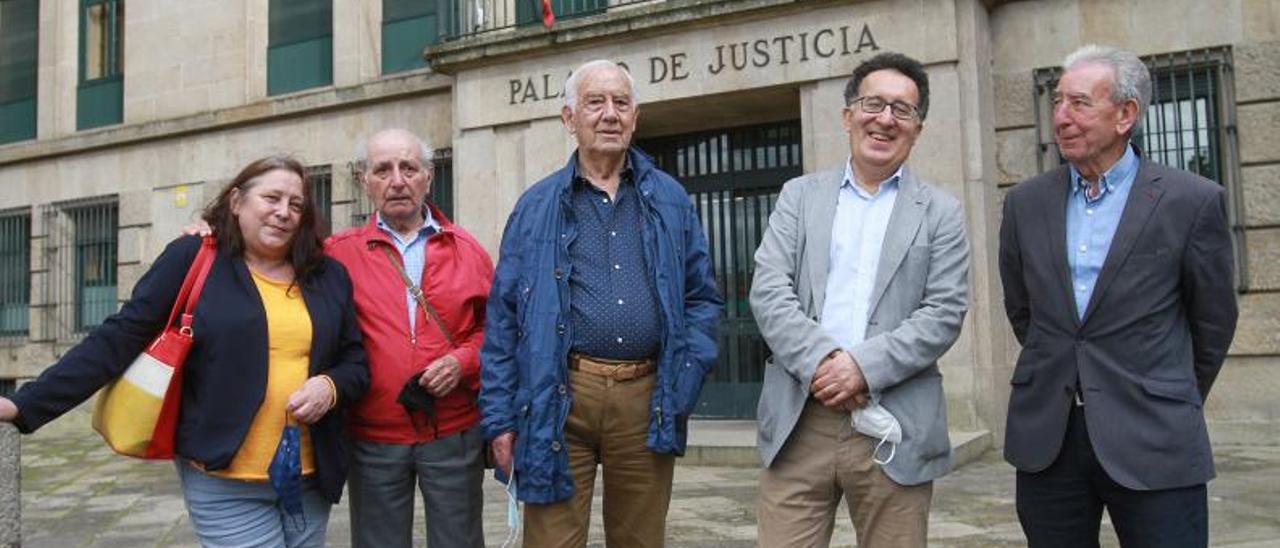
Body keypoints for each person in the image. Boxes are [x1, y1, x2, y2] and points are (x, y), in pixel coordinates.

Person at [0, 156, 369, 547]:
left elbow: (355, 361)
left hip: (307, 477)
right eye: (272, 198)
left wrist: (330, 386)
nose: (283, 212)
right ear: (236, 201)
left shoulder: (327, 275)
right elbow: (119, 337)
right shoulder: (195, 258)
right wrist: (26, 405)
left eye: (296, 205)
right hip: (224, 476)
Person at [1000, 44, 1239, 548]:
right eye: (1058, 101)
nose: (1061, 117)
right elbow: (1025, 311)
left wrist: (1162, 389)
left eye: (1079, 103)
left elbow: (1212, 323)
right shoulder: (1025, 204)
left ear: (1126, 113)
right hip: (1050, 438)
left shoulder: (1191, 201)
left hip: (1155, 437)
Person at [480, 59, 722, 548]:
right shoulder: (535, 206)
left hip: (646, 398)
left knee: (640, 539)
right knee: (551, 540)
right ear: (569, 118)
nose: (610, 114)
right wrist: (500, 418)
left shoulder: (670, 199)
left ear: (634, 118)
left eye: (621, 103)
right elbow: (503, 321)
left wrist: (685, 377)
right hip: (558, 395)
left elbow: (701, 297)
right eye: (596, 102)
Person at [750, 52, 970, 548]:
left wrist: (862, 368)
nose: (885, 119)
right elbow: (768, 289)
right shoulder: (798, 196)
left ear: (917, 128)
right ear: (848, 114)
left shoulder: (941, 213)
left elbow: (943, 312)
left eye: (902, 109)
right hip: (799, 421)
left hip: (894, 424)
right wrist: (825, 361)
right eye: (873, 104)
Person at [325, 129, 493, 548]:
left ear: (428, 177)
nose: (397, 180)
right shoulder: (337, 254)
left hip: (453, 431)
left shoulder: (467, 249)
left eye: (409, 168)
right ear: (364, 181)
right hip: (373, 437)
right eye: (382, 169)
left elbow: (495, 331)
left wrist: (463, 362)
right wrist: (208, 235)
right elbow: (267, 259)